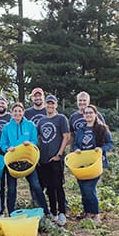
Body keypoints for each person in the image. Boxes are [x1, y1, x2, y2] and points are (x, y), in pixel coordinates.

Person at [0, 102, 48, 215]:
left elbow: (35, 141)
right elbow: (2, 144)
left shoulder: (30, 125)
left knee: (36, 185)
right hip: (12, 162)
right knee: (11, 189)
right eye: (15, 111)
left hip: (28, 161)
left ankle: (46, 211)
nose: (17, 113)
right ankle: (11, 212)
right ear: (12, 113)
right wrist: (7, 148)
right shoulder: (7, 128)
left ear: (23, 112)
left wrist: (30, 143)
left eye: (19, 111)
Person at [73, 104, 114, 223]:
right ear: (83, 115)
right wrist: (76, 149)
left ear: (96, 115)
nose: (88, 115)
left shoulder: (102, 128)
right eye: (86, 113)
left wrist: (101, 149)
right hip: (82, 164)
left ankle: (96, 214)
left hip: (96, 163)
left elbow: (110, 143)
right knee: (82, 189)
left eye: (91, 113)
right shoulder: (81, 130)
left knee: (90, 189)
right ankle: (87, 212)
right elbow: (75, 144)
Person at [36, 95, 70, 226]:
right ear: (45, 105)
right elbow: (39, 138)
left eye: (52, 104)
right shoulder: (41, 121)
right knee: (49, 187)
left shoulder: (61, 118)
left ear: (56, 105)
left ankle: (62, 212)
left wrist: (59, 154)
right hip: (44, 159)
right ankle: (53, 212)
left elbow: (66, 137)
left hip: (55, 158)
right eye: (48, 104)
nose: (50, 106)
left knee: (58, 186)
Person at [0, 95, 11, 216]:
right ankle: (0, 210)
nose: (0, 105)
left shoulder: (11, 117)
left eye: (2, 103)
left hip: (11, 154)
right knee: (0, 186)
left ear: (7, 104)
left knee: (11, 185)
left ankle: (11, 210)